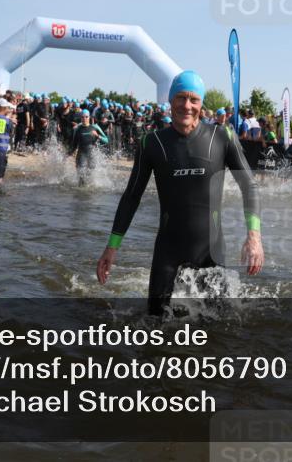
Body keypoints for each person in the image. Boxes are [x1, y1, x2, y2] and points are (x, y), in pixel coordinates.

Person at [96, 70, 263, 316]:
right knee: (153, 322)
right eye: (181, 98)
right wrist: (112, 247)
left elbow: (249, 186)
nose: (187, 105)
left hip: (211, 251)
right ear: (171, 100)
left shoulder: (221, 136)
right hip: (168, 252)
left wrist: (254, 237)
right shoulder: (152, 142)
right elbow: (132, 196)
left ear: (201, 103)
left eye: (194, 99)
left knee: (219, 327)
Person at [70, 108, 109, 185]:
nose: (84, 118)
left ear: (89, 117)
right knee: (81, 177)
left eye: (86, 117)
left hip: (91, 154)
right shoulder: (77, 129)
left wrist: (97, 136)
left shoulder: (95, 127)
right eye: (82, 117)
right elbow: (74, 144)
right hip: (81, 154)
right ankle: (80, 194)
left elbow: (106, 140)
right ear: (80, 118)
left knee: (90, 175)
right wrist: (69, 153)